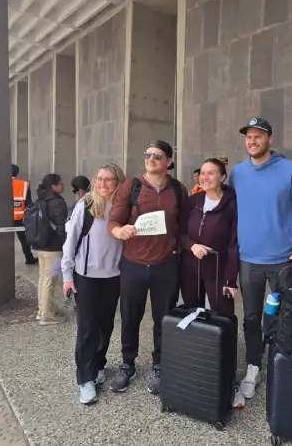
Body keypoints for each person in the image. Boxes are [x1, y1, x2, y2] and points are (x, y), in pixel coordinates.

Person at [229, 117, 292, 400]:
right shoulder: (237, 173)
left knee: (282, 315)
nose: (252, 141)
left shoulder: (290, 170)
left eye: (258, 136)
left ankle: (284, 363)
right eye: (249, 137)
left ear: (270, 140)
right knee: (252, 316)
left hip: (283, 261)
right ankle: (254, 364)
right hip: (249, 261)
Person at [107, 139, 187, 395]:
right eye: (147, 154)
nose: (151, 159)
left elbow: (184, 225)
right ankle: (127, 364)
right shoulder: (131, 187)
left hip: (166, 265)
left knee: (163, 318)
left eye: (157, 156)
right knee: (130, 317)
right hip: (134, 265)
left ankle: (159, 365)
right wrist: (120, 231)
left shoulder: (178, 189)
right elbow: (114, 221)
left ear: (169, 162)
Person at [61, 163, 126, 405]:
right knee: (87, 328)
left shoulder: (123, 207)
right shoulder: (86, 205)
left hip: (114, 276)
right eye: (99, 179)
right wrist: (67, 276)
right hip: (86, 276)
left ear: (118, 182)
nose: (103, 184)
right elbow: (71, 241)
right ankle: (85, 378)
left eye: (109, 179)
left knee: (106, 326)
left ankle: (99, 364)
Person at [180, 158, 238, 315]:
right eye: (202, 173)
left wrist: (230, 280)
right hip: (191, 268)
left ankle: (223, 341)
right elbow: (180, 232)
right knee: (192, 313)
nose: (205, 177)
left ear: (223, 177)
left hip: (218, 269)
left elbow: (234, 244)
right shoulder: (193, 201)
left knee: (223, 316)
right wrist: (192, 245)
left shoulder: (232, 204)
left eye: (211, 173)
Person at [34, 174, 69, 325]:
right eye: (60, 183)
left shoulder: (41, 199)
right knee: (51, 280)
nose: (63, 185)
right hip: (54, 248)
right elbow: (61, 227)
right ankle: (46, 315)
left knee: (43, 278)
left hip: (41, 245)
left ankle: (42, 309)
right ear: (54, 186)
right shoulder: (58, 203)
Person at [12, 164, 37, 265]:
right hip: (20, 218)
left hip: (3, 218)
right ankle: (29, 258)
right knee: (23, 239)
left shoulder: (0, 185)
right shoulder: (24, 184)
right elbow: (29, 204)